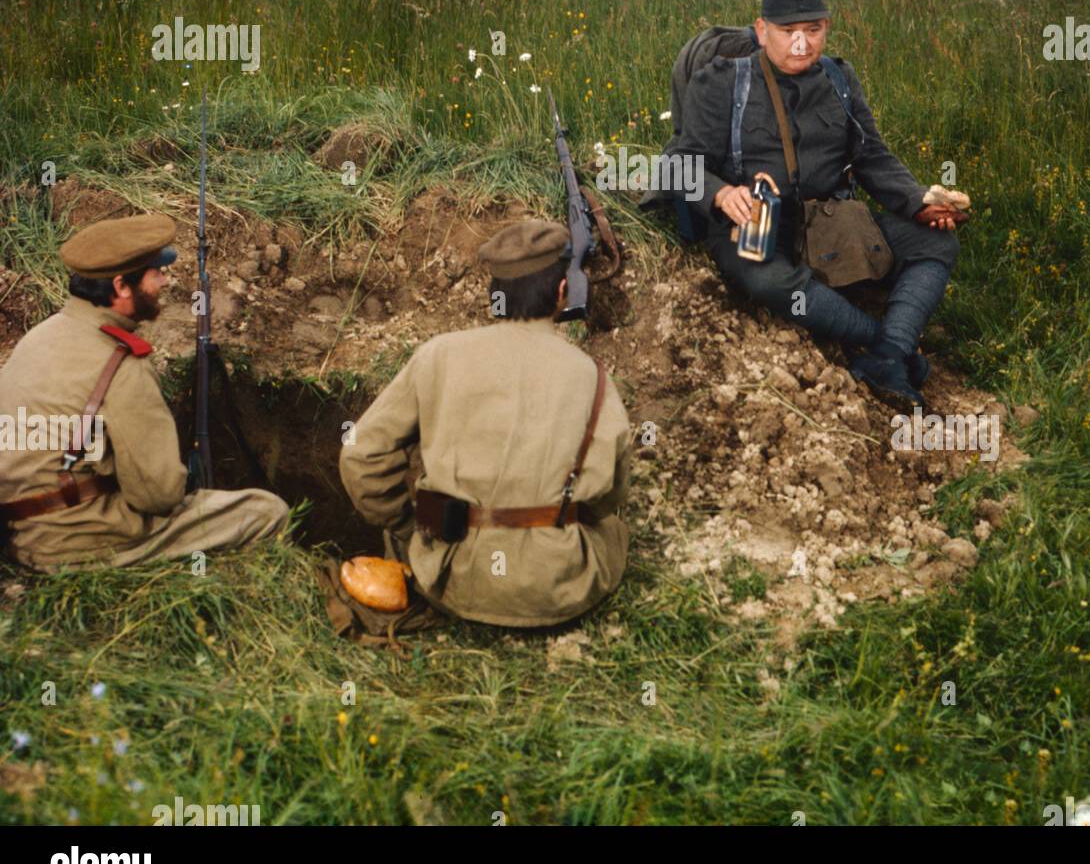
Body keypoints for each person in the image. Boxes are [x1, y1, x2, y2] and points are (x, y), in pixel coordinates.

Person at [670, 0, 968, 411]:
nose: (800, 44)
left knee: (935, 242)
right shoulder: (720, 83)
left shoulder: (839, 78)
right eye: (788, 31)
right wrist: (719, 194)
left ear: (827, 28)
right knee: (768, 279)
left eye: (812, 31)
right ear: (761, 30)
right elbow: (680, 162)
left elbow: (872, 157)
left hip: (828, 224)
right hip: (755, 227)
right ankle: (877, 341)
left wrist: (919, 201)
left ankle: (886, 356)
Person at [339, 219, 631, 628]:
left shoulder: (438, 356)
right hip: (561, 588)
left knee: (396, 534)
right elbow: (608, 494)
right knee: (612, 528)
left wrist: (408, 526)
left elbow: (362, 454)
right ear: (562, 293)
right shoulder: (592, 376)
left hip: (454, 581)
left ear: (496, 296)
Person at [0, 214, 289, 569]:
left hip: (19, 533)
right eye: (156, 272)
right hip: (76, 542)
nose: (165, 281)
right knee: (266, 510)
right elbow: (158, 495)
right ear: (122, 287)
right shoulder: (123, 364)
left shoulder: (39, 337)